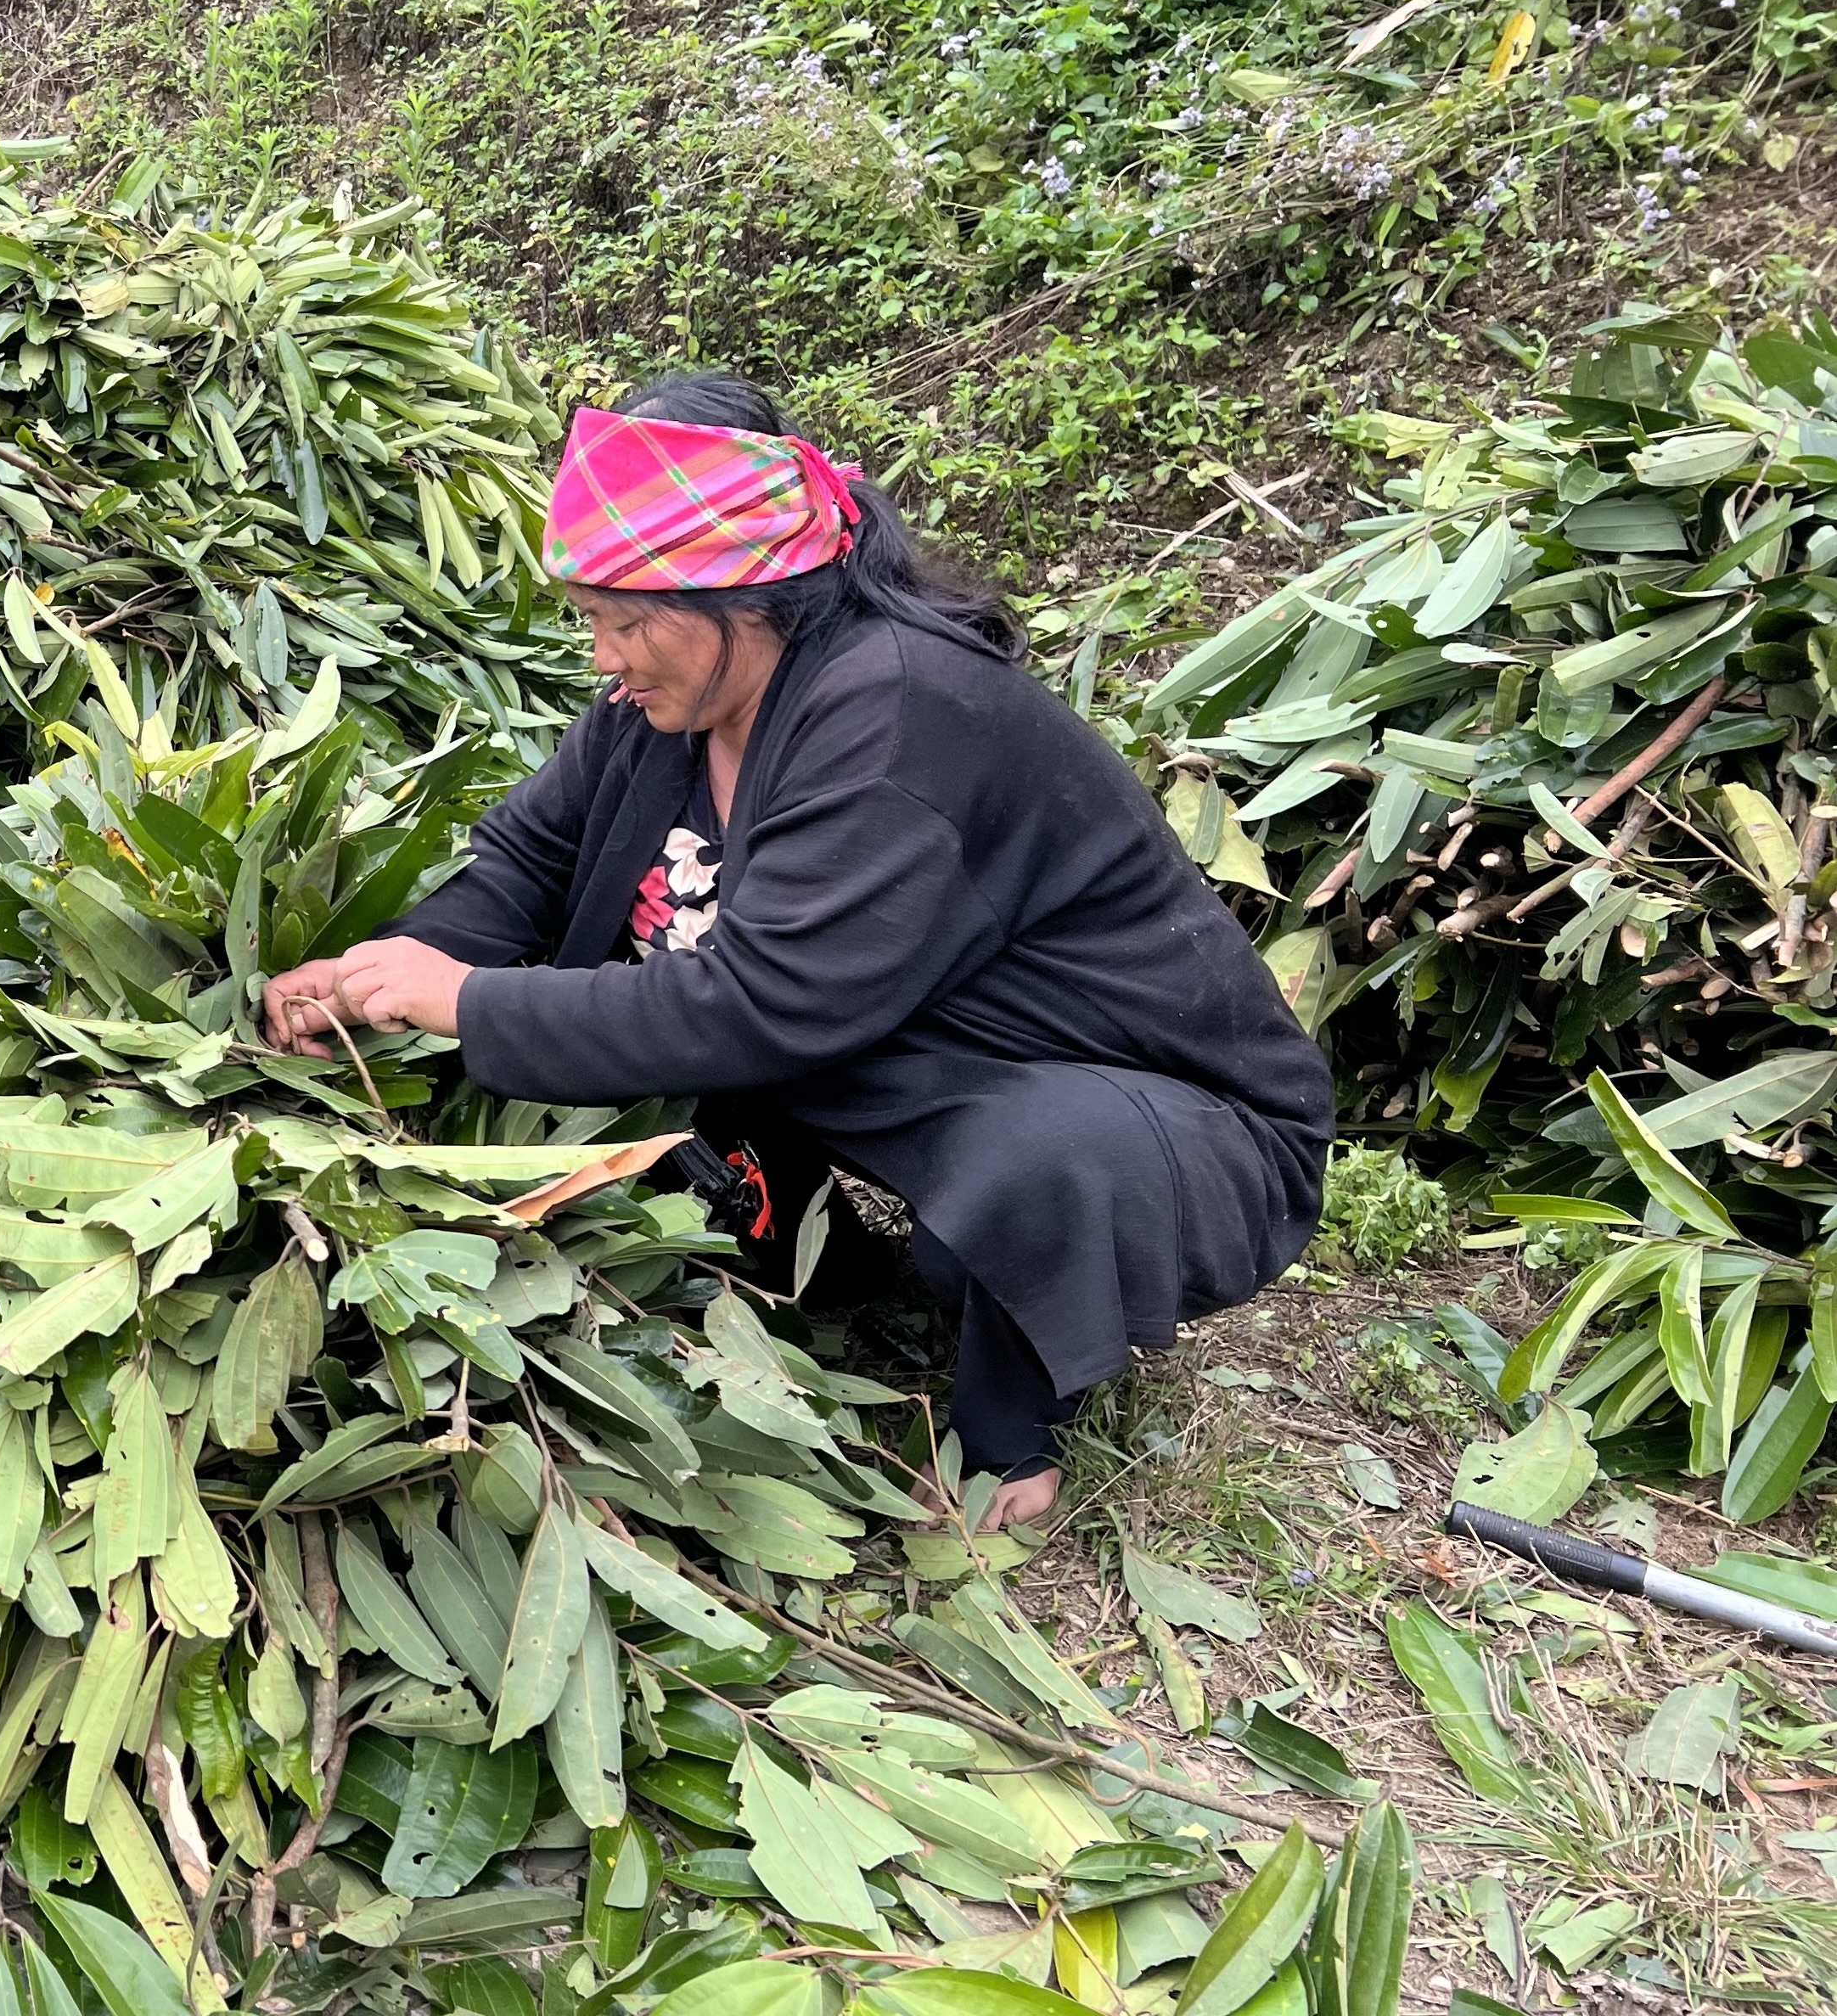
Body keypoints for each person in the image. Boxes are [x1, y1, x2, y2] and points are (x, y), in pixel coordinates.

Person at [264, 376, 1332, 1532]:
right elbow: (526, 865)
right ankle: (801, 1247)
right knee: (640, 1053)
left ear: (745, 594)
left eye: (626, 619)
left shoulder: (896, 714)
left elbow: (761, 1006)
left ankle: (1014, 1424)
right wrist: (388, 969)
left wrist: (468, 1004)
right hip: (916, 1045)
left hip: (1171, 1125)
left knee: (1027, 1159)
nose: (601, 655)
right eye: (589, 615)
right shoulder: (654, 713)